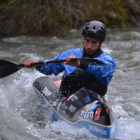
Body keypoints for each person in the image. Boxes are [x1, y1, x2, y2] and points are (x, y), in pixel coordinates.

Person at [24, 20, 116, 99]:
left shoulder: (107, 60)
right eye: (87, 40)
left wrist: (80, 64)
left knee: (80, 74)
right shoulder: (71, 54)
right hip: (66, 98)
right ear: (83, 39)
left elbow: (100, 68)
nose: (89, 46)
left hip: (92, 98)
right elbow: (50, 68)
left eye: (94, 42)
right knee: (74, 75)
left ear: (101, 42)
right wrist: (37, 63)